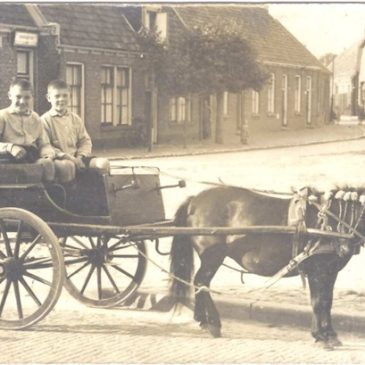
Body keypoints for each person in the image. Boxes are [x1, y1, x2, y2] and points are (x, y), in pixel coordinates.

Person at [41, 79, 110, 182]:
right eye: (57, 96)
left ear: (70, 96)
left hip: (78, 158)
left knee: (103, 163)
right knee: (68, 166)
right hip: (59, 159)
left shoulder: (75, 118)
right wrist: (70, 158)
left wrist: (80, 156)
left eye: (65, 96)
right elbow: (46, 146)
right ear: (49, 98)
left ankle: (97, 196)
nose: (61, 99)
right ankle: (71, 197)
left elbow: (85, 141)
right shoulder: (44, 120)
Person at [0, 79, 56, 181]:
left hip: (31, 157)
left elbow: (43, 143)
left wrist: (47, 154)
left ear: (32, 98)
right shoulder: (3, 116)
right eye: (18, 97)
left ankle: (46, 194)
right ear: (10, 96)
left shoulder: (35, 118)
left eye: (27, 97)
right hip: (8, 158)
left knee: (47, 164)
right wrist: (10, 147)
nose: (22, 101)